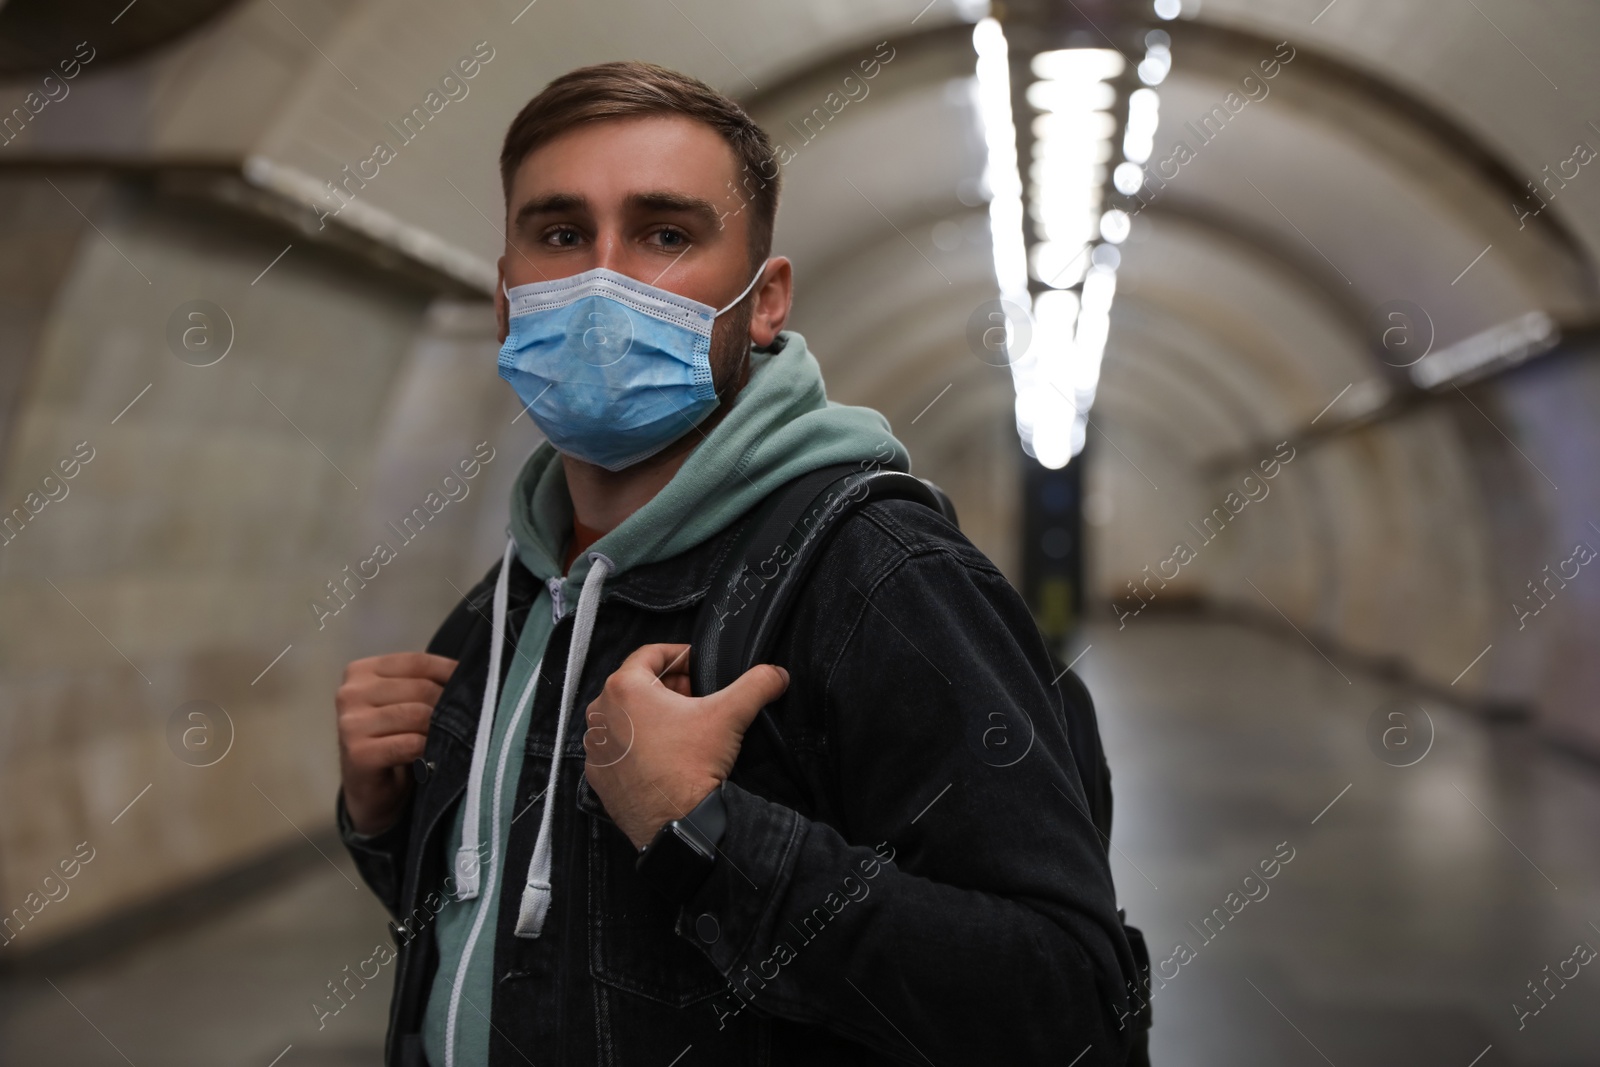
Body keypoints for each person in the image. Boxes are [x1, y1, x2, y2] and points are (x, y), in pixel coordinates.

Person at [334, 60, 1137, 1066]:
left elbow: (1068, 1003)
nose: (605, 279)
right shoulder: (508, 605)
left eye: (666, 234)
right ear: (504, 297)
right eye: (561, 234)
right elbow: (523, 942)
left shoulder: (881, 580)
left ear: (766, 302)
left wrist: (703, 828)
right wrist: (387, 820)